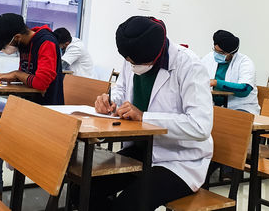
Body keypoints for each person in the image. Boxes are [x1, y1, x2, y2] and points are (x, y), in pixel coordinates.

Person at [91, 16, 213, 211]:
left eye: (134, 62)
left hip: (178, 158)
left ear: (155, 55)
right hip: (143, 149)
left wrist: (144, 117)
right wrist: (111, 101)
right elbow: (122, 89)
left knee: (127, 205)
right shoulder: (134, 55)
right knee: (86, 188)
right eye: (128, 61)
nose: (131, 65)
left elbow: (200, 126)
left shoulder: (189, 65)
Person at [0, 13, 64, 198]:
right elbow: (28, 76)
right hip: (27, 107)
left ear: (16, 37)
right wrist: (3, 75)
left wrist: (17, 75)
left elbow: (41, 82)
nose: (5, 48)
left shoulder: (46, 42)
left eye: (4, 45)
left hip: (45, 113)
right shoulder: (26, 44)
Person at [201, 30, 260, 114]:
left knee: (227, 121)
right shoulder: (208, 58)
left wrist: (216, 83)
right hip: (213, 107)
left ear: (232, 53)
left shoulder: (245, 62)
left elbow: (245, 89)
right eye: (215, 50)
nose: (217, 54)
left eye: (221, 52)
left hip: (240, 107)